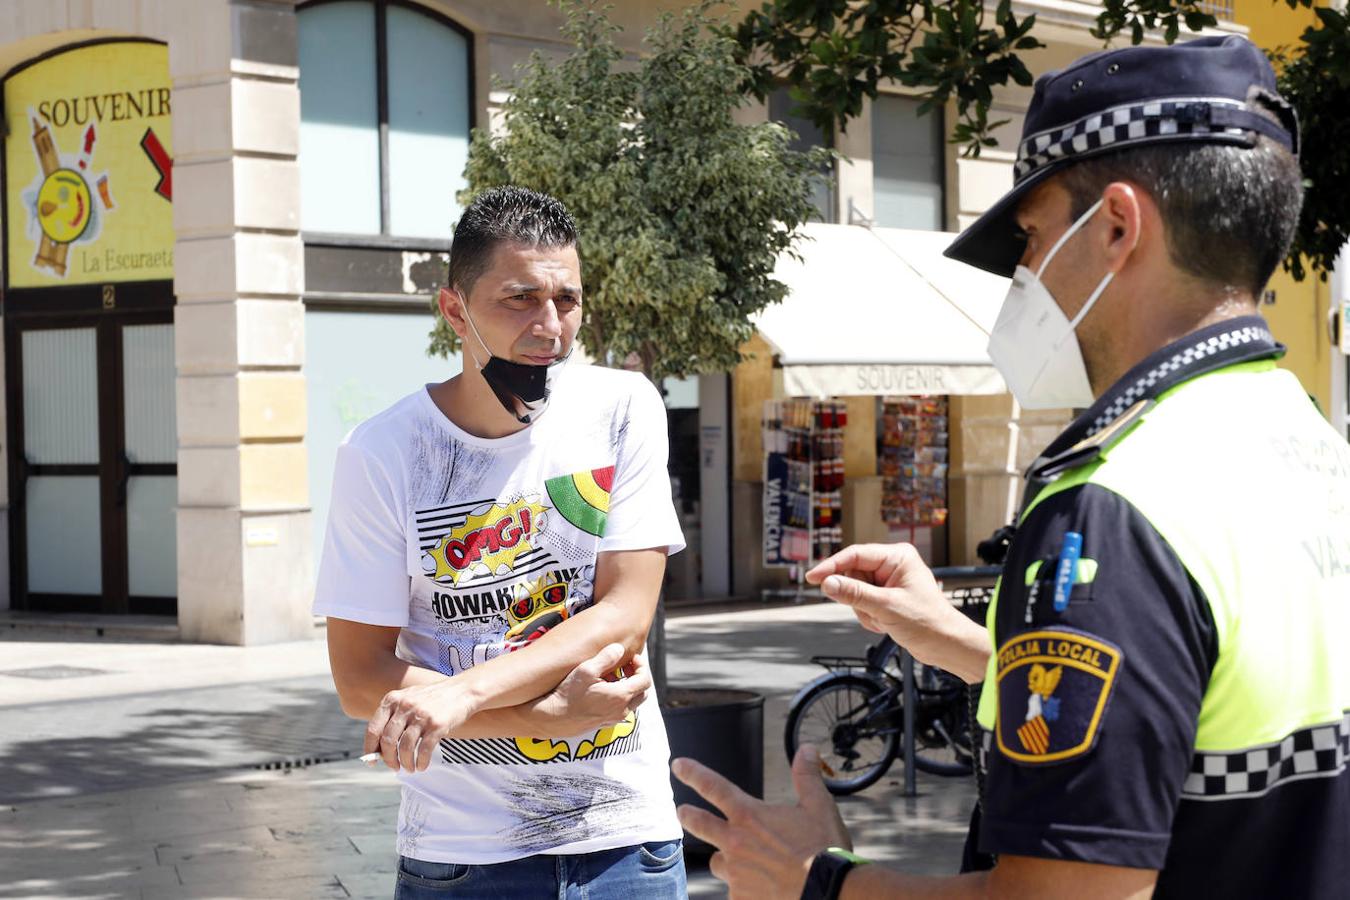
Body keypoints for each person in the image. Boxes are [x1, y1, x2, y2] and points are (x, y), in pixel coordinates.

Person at [673, 34, 1349, 899]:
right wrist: (962, 645)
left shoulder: (1114, 501)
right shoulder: (1308, 444)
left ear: (1114, 226)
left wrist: (816, 882)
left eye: (1029, 238)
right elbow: (1184, 712)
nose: (1022, 276)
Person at [314, 185, 689, 898]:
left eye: (567, 300)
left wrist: (463, 697)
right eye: (519, 299)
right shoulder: (382, 452)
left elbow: (623, 615)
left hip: (626, 844)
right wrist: (542, 718)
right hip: (463, 858)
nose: (549, 326)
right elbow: (360, 678)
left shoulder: (622, 408)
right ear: (455, 309)